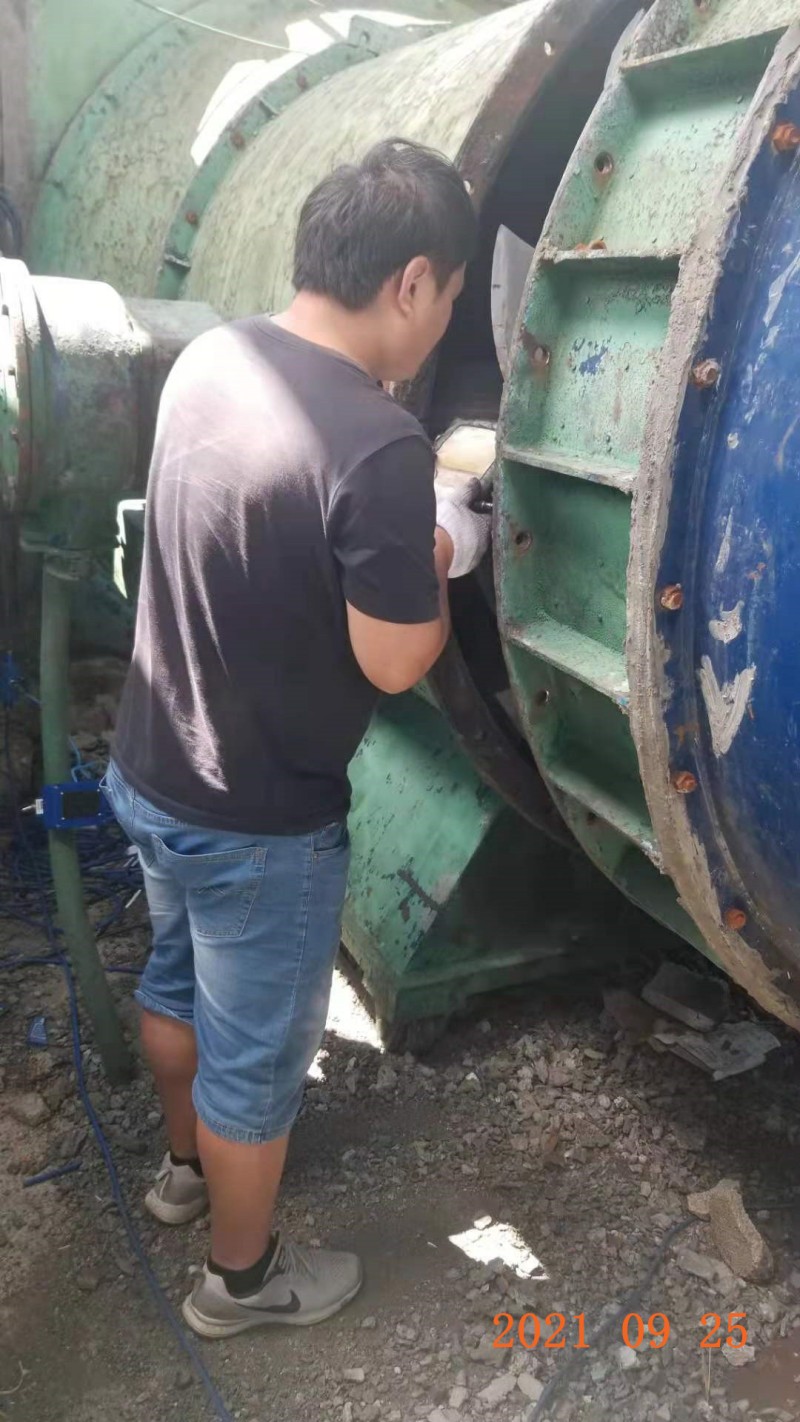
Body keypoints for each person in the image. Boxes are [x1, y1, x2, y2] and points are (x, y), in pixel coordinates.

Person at [104, 137, 491, 1340]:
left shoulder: (210, 357)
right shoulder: (378, 444)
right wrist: (435, 549)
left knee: (173, 983)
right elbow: (394, 659)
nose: (442, 323)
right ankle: (241, 1281)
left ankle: (182, 1175)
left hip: (153, 768)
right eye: (450, 298)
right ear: (412, 282)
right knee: (257, 1061)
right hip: (259, 820)